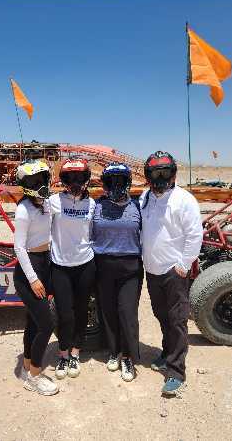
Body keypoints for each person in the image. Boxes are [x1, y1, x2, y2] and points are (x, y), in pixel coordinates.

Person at [139, 151, 203, 396]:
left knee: (177, 320)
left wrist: (184, 264)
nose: (160, 178)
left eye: (164, 172)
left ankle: (176, 371)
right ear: (148, 176)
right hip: (152, 269)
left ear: (173, 174)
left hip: (174, 271)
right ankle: (167, 353)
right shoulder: (145, 198)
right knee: (161, 315)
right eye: (155, 173)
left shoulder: (184, 200)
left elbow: (195, 235)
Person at [91, 163, 143, 382]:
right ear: (105, 184)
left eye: (120, 181)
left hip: (130, 267)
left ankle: (128, 356)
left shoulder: (138, 206)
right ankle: (114, 351)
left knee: (127, 313)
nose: (116, 185)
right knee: (108, 312)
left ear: (127, 182)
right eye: (112, 181)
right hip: (102, 266)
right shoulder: (96, 206)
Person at [13, 159, 59, 396]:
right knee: (47, 324)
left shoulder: (46, 203)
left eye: (42, 179)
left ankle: (26, 366)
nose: (40, 185)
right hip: (28, 270)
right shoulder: (23, 209)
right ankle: (34, 376)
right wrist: (33, 278)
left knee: (33, 322)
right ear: (25, 185)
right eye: (34, 181)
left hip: (44, 262)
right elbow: (19, 248)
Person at [49, 158, 96, 379]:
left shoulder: (92, 204)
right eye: (70, 178)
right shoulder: (53, 202)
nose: (75, 182)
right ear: (63, 180)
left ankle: (75, 353)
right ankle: (63, 354)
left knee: (81, 311)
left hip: (85, 264)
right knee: (64, 314)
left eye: (79, 177)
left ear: (86, 179)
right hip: (60, 266)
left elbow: (94, 232)